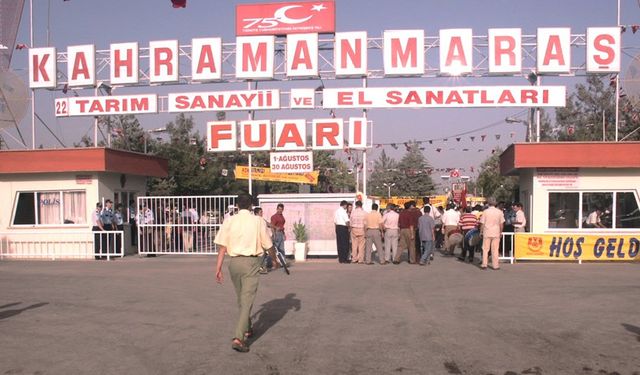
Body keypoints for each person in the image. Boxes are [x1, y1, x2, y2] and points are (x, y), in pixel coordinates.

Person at [215, 194, 276, 353]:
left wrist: (218, 268)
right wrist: (274, 260)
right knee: (247, 300)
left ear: (237, 205)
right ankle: (239, 338)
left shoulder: (229, 220)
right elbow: (268, 244)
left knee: (242, 298)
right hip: (251, 263)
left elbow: (222, 247)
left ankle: (247, 328)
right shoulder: (258, 221)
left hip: (234, 264)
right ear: (251, 205)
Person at [479, 197, 505, 270]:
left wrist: (481, 232)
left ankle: (484, 264)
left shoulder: (485, 212)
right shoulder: (499, 212)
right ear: (495, 203)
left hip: (487, 232)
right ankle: (495, 265)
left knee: (485, 249)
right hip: (496, 232)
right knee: (495, 249)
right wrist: (501, 232)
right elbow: (501, 224)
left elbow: (482, 223)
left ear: (488, 203)